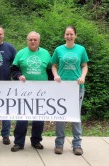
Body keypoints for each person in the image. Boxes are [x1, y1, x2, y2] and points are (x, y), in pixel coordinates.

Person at [10, 31, 52, 152]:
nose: (33, 41)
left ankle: (36, 141)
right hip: (24, 91)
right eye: (30, 39)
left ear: (39, 41)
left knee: (39, 118)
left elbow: (50, 71)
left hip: (41, 92)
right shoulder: (21, 53)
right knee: (22, 118)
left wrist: (52, 87)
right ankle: (18, 143)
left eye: (35, 40)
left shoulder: (45, 53)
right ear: (27, 40)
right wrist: (19, 76)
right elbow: (13, 70)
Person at [52, 26, 89, 155]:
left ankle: (77, 145)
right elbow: (54, 66)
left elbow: (84, 66)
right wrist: (56, 75)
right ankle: (59, 144)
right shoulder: (58, 50)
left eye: (71, 34)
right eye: (67, 34)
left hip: (77, 87)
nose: (69, 36)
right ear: (64, 36)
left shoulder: (81, 49)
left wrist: (82, 77)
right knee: (60, 116)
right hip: (62, 87)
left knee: (75, 116)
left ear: (75, 35)